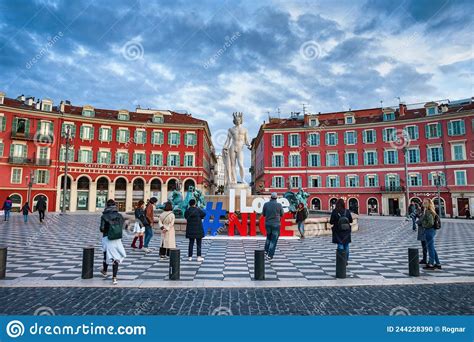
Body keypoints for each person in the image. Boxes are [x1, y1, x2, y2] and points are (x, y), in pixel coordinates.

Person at [100, 199, 126, 285]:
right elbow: (123, 225)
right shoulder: (119, 215)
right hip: (117, 238)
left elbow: (102, 228)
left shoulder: (104, 216)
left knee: (106, 254)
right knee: (116, 257)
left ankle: (105, 271)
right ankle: (114, 277)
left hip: (107, 237)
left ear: (107, 206)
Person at [329, 199, 353, 265]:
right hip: (346, 231)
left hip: (338, 231)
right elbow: (351, 221)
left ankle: (341, 260)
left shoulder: (334, 211)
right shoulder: (347, 211)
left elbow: (331, 222)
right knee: (346, 245)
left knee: (340, 244)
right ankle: (345, 260)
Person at [420, 198, 441, 270]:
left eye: (424, 202)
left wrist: (423, 224)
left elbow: (430, 223)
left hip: (429, 230)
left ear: (427, 204)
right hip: (432, 230)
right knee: (432, 247)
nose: (423, 203)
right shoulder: (431, 211)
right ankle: (438, 263)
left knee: (430, 248)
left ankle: (431, 264)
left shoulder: (428, 212)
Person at [262, 192, 284, 261]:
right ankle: (270, 255)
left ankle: (265, 251)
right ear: (276, 197)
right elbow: (282, 214)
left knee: (268, 238)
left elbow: (263, 214)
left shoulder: (266, 204)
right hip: (276, 224)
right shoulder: (279, 205)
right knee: (273, 240)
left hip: (268, 223)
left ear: (270, 197)